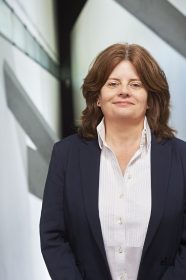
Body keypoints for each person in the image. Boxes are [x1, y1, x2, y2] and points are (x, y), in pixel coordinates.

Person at [39, 43, 186, 280]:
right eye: (113, 83)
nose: (124, 91)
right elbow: (53, 235)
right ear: (98, 96)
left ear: (149, 99)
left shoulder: (182, 157)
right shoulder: (65, 155)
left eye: (135, 84)